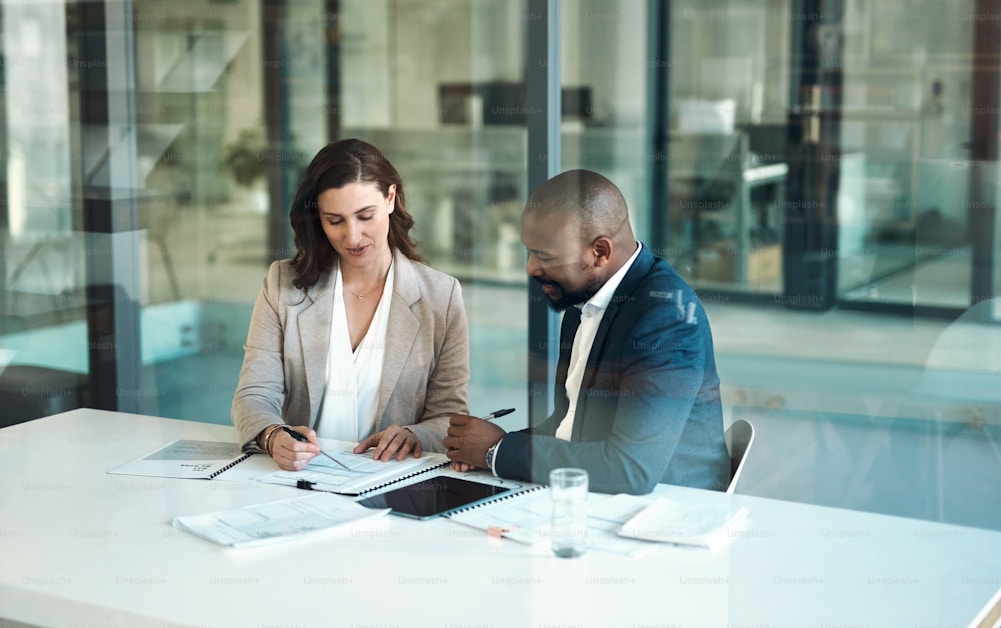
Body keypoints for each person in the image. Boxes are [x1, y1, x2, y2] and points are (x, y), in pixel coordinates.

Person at [444, 169, 729, 495]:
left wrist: (498, 451)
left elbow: (629, 470)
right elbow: (571, 424)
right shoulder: (584, 301)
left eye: (545, 256)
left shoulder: (666, 321)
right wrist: (489, 446)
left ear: (600, 252)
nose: (531, 268)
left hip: (668, 512)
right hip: (602, 501)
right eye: (529, 251)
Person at [232, 139, 469, 471]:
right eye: (335, 220)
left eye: (365, 216)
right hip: (301, 479)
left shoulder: (441, 296)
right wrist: (272, 435)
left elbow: (450, 416)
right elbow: (254, 394)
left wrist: (415, 435)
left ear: (390, 198)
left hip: (393, 482)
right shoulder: (282, 285)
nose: (353, 237)